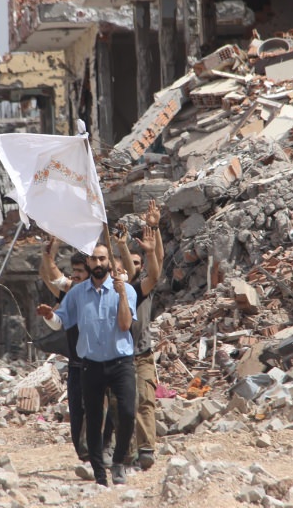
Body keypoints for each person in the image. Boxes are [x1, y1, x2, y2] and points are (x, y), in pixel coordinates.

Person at [37, 243, 137, 487]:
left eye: (103, 258)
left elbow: (125, 325)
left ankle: (118, 462)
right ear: (89, 263)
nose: (98, 263)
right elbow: (61, 322)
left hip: (121, 362)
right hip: (90, 365)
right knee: (91, 420)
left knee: (126, 413)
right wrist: (50, 316)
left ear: (109, 262)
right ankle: (100, 475)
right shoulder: (77, 293)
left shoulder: (126, 291)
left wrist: (122, 293)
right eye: (94, 259)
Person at [115, 199, 164, 471]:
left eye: (138, 261)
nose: (134, 266)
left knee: (145, 400)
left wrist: (153, 229)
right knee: (124, 406)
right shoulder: (119, 291)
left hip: (142, 355)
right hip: (119, 357)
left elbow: (155, 268)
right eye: (127, 262)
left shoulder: (141, 290)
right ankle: (127, 451)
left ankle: (146, 449)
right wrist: (122, 246)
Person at [39, 237, 90, 462]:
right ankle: (85, 451)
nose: (75, 276)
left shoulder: (106, 294)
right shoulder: (70, 295)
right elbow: (49, 274)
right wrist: (50, 250)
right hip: (77, 363)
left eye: (80, 271)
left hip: (101, 362)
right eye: (73, 271)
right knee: (78, 411)